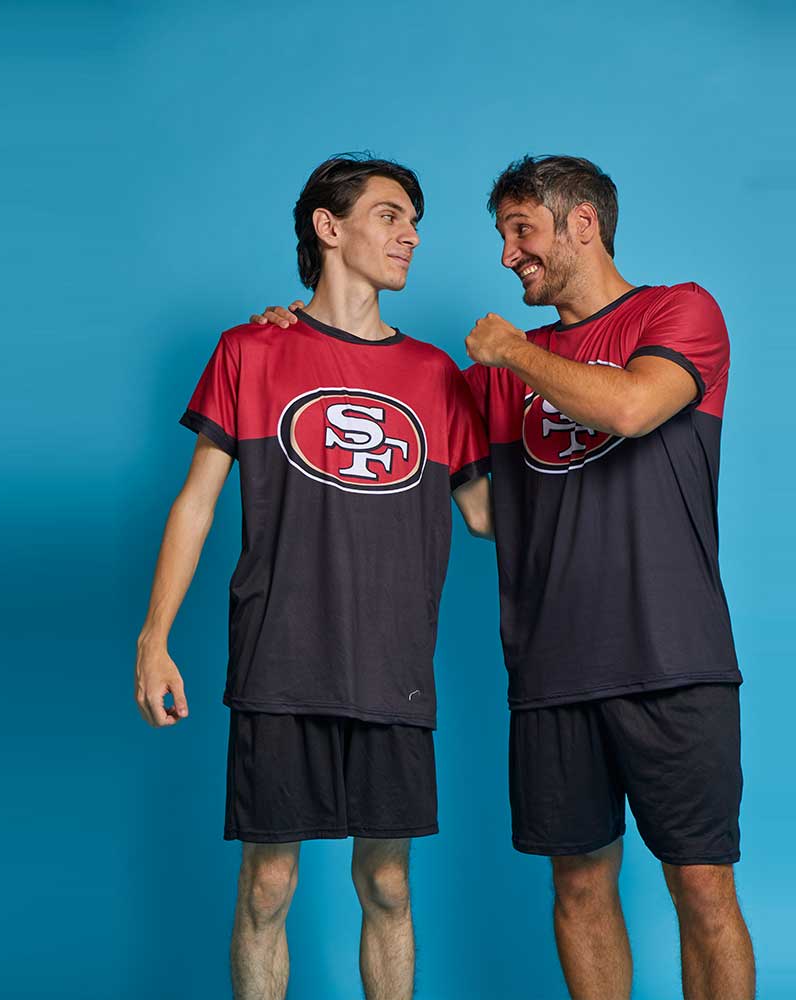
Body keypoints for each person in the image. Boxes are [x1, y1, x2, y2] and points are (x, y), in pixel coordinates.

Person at [253, 154, 755, 1000]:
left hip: (674, 659)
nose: (507, 254)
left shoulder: (678, 311)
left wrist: (513, 352)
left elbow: (631, 407)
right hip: (552, 670)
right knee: (579, 889)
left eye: (522, 231)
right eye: (502, 235)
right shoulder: (492, 378)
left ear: (582, 223)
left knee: (702, 889)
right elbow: (410, 433)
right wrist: (295, 335)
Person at [135, 155, 492, 1000]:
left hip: (393, 667)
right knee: (267, 886)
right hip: (280, 658)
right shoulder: (251, 350)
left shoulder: (437, 376)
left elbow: (486, 516)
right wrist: (154, 639)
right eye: (390, 216)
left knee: (388, 885)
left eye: (415, 222)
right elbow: (195, 503)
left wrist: (561, 404)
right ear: (328, 228)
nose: (411, 236)